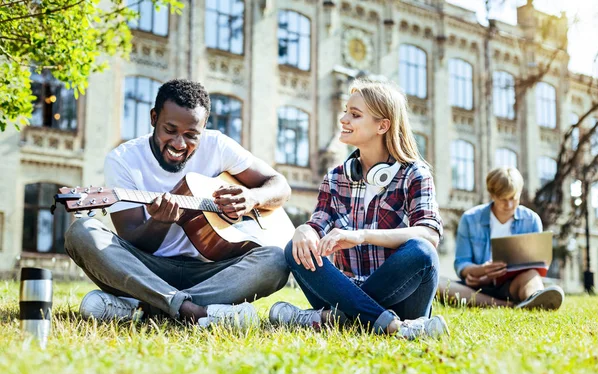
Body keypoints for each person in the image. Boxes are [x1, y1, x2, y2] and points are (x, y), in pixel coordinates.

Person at [64, 79, 291, 329]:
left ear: (204, 129)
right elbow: (132, 240)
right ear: (153, 118)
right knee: (81, 231)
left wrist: (252, 198)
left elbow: (280, 186)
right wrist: (160, 223)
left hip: (212, 273)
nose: (179, 144)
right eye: (170, 130)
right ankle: (194, 311)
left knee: (277, 259)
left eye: (191, 135)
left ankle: (146, 307)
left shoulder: (218, 146)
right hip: (148, 270)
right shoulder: (123, 160)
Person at [268, 79, 449, 340]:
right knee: (294, 250)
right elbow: (316, 225)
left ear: (382, 125)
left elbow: (430, 234)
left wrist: (360, 235)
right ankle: (393, 327)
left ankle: (329, 319)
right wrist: (304, 230)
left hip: (403, 299)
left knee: (422, 251)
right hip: (347, 291)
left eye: (354, 114)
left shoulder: (415, 174)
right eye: (345, 111)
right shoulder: (336, 178)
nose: (343, 119)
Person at [438, 167, 564, 310]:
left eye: (513, 198)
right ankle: (505, 305)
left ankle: (535, 298)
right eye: (503, 199)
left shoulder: (531, 220)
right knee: (438, 284)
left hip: (514, 284)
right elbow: (461, 263)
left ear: (519, 194)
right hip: (478, 286)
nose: (509, 205)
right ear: (492, 195)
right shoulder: (470, 219)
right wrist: (480, 270)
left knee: (532, 275)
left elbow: (538, 263)